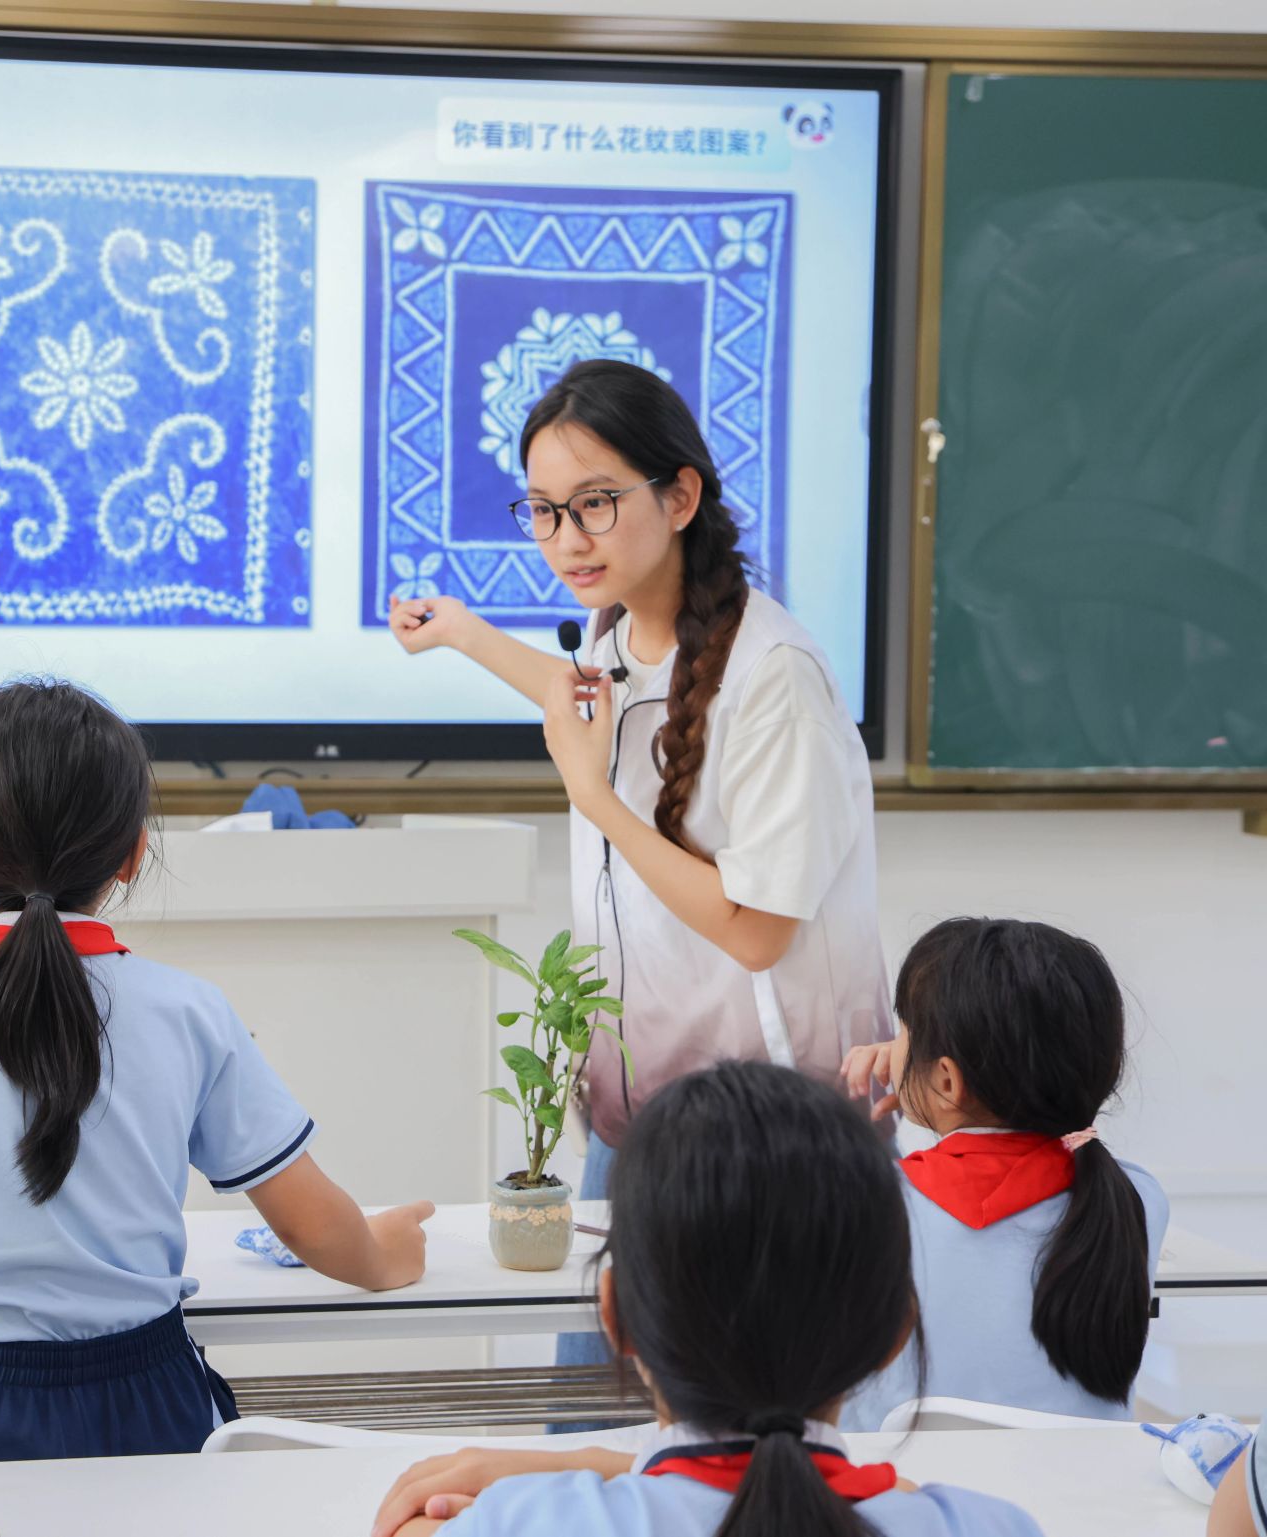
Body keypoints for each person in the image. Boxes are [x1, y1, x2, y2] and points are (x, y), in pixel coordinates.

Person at [0, 679, 433, 1537]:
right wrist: (386, 1255)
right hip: (156, 1405)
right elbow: (316, 1225)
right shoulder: (189, 1010)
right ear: (132, 854)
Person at [391, 358, 889, 1380]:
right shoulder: (621, 629)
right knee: (595, 1409)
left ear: (679, 495)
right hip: (641, 1117)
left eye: (595, 504)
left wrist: (597, 801)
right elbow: (591, 697)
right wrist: (465, 634)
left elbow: (757, 930)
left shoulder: (774, 677)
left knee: (735, 1428)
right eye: (543, 511)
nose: (566, 539)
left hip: (768, 1137)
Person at [369, 1061, 1042, 1537]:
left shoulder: (516, 1522)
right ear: (897, 1329)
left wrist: (580, 1467)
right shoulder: (993, 1526)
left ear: (616, 1316)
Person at [842, 917, 1168, 1428]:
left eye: (903, 1029)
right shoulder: (1137, 1197)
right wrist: (926, 1076)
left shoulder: (865, 1200)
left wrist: (914, 1086)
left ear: (947, 1079)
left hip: (902, 1475)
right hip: (1085, 1478)